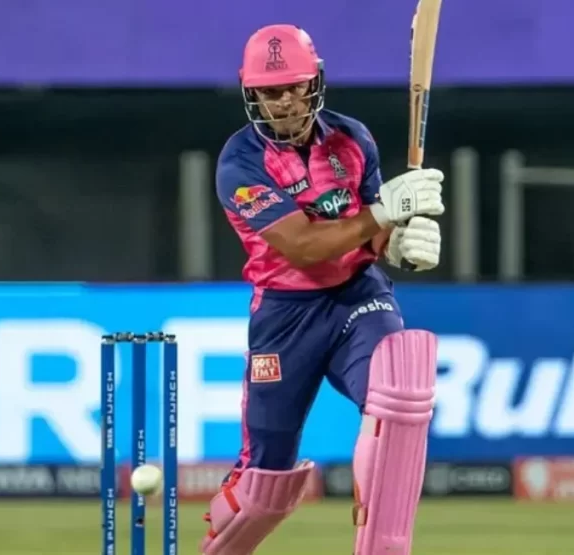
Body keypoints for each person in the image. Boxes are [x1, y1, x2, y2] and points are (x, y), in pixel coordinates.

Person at [200, 24, 440, 555]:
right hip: (285, 315)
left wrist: (399, 243)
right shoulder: (240, 163)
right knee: (263, 484)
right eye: (270, 92)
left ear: (314, 83)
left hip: (358, 297)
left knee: (400, 398)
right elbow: (304, 247)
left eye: (293, 87)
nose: (284, 102)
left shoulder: (351, 139)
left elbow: (370, 231)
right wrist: (383, 213)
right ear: (251, 94)